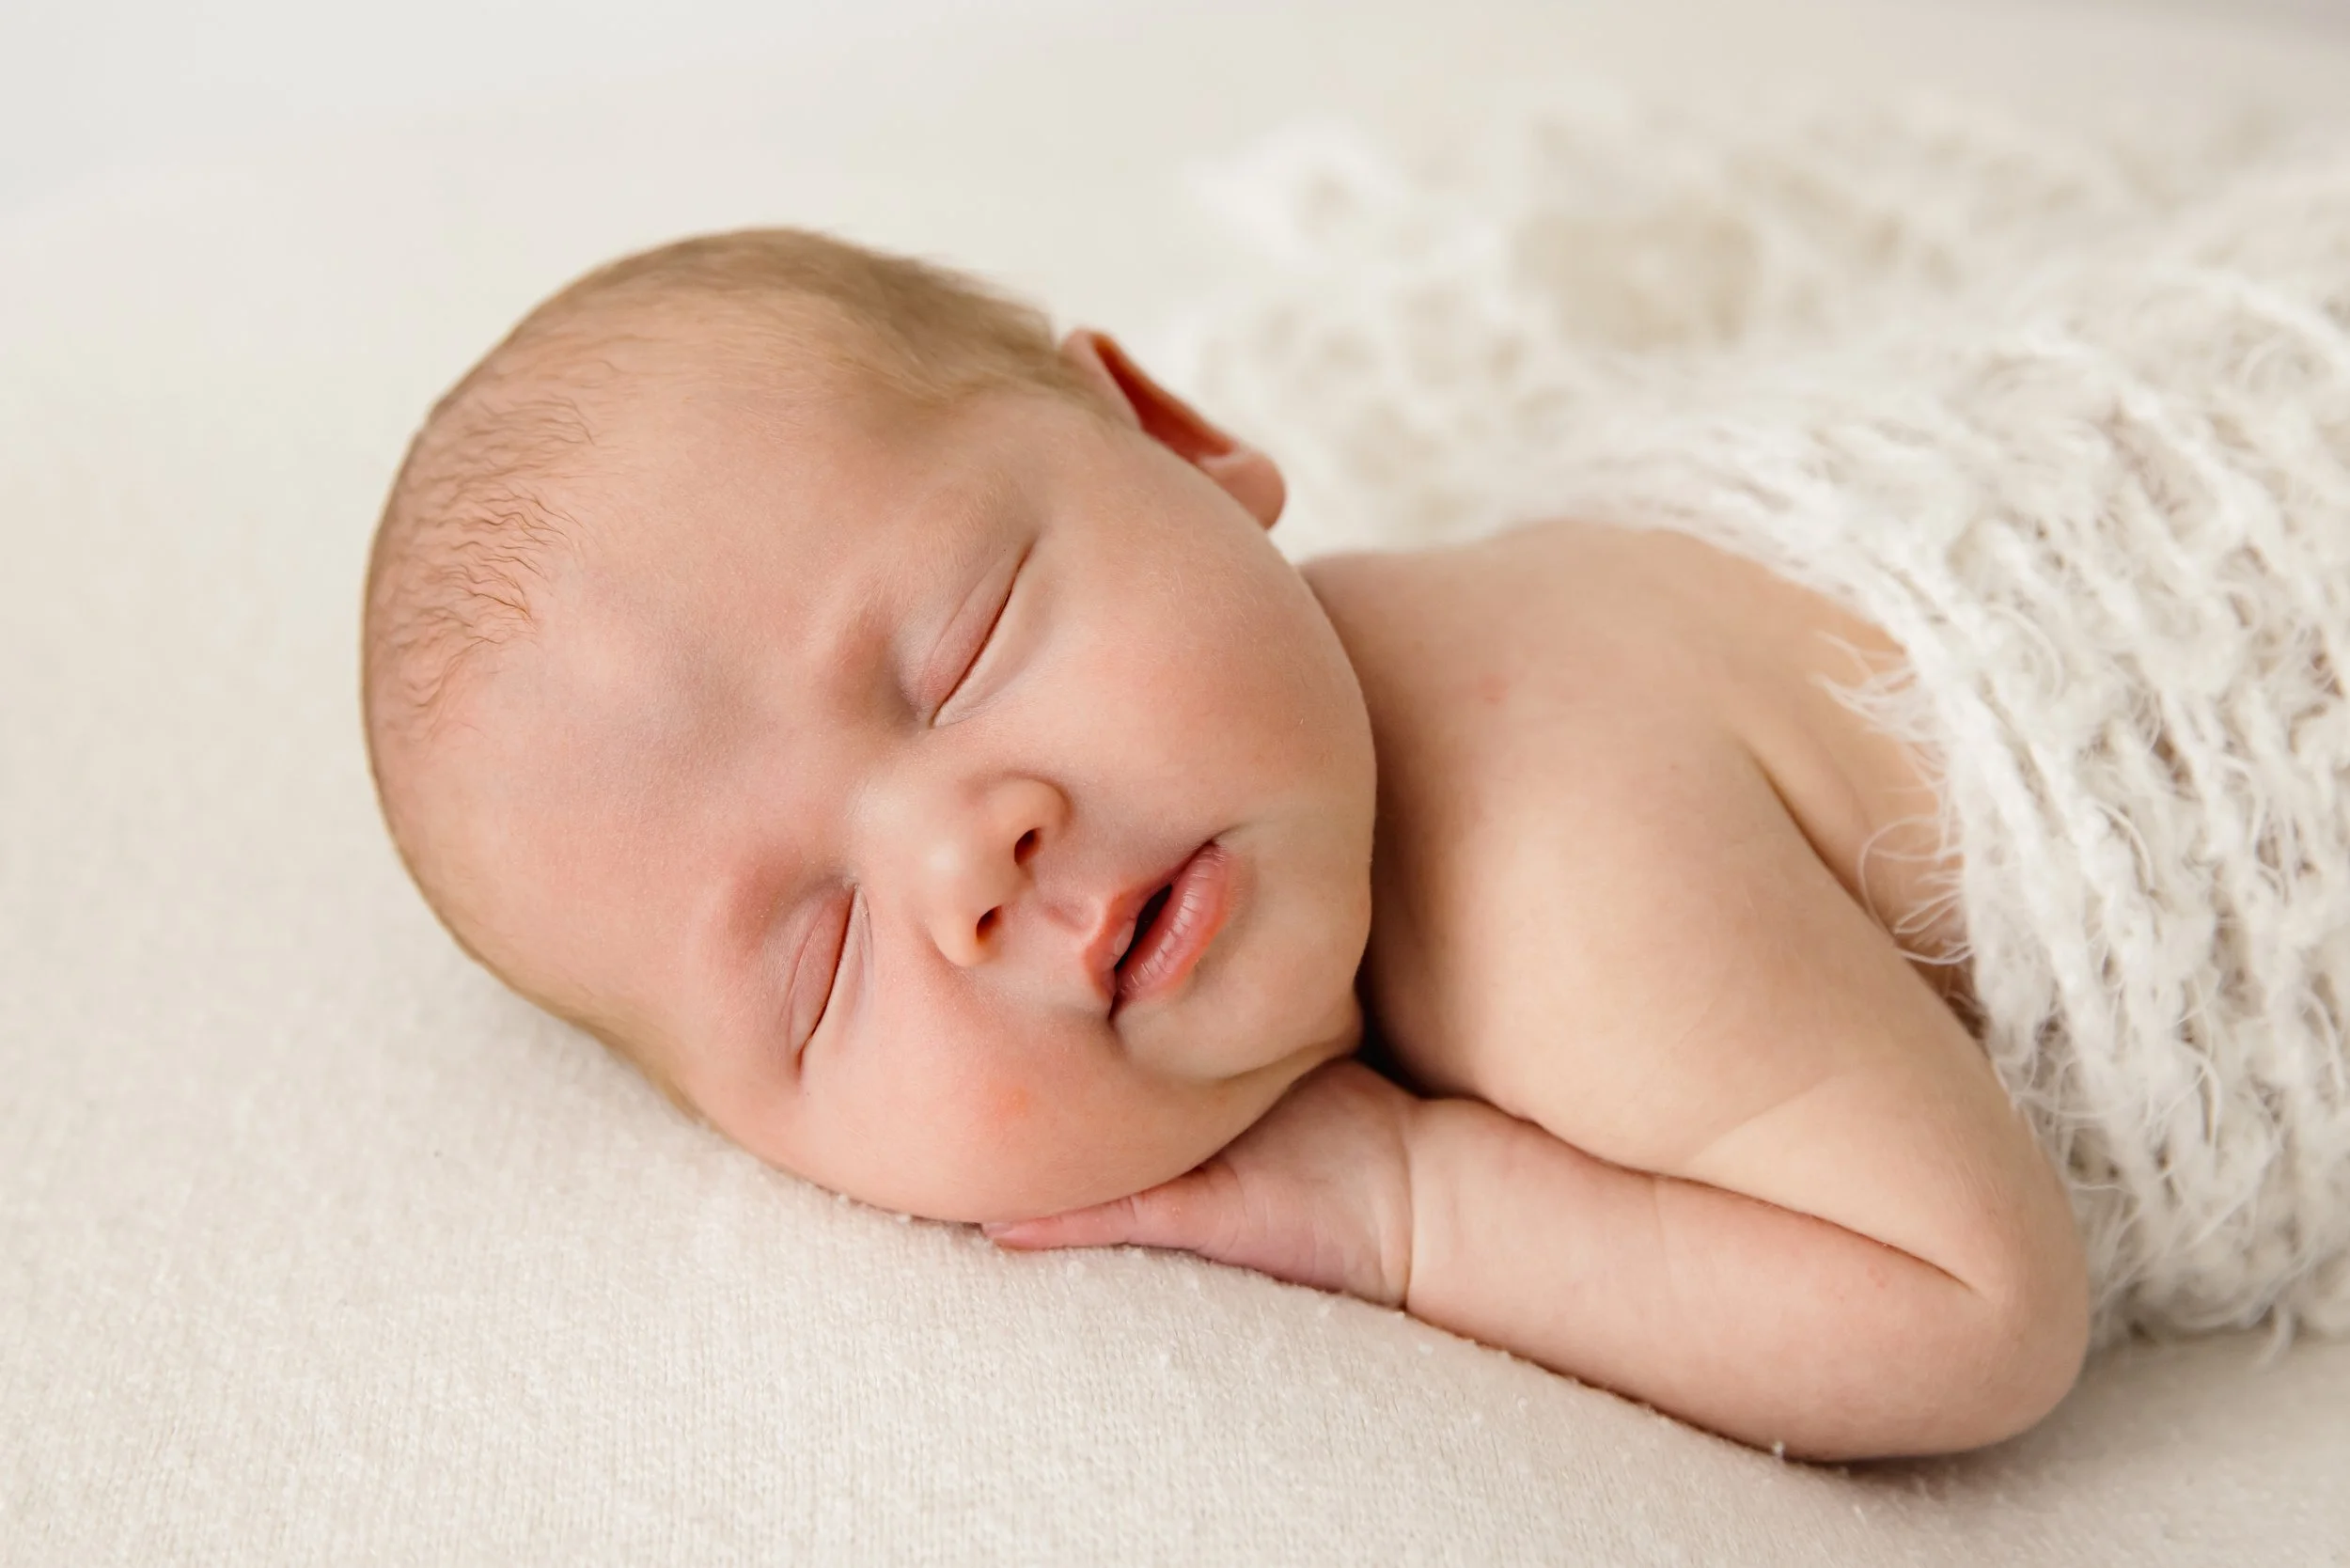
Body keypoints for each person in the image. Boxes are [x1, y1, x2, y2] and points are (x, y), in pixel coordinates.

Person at [361, 227, 2090, 1463]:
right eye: (823, 965)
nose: (969, 868)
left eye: (960, 651)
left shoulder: (1557, 856)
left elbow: (1971, 1312)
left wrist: (1411, 1206)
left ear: (1174, 440)